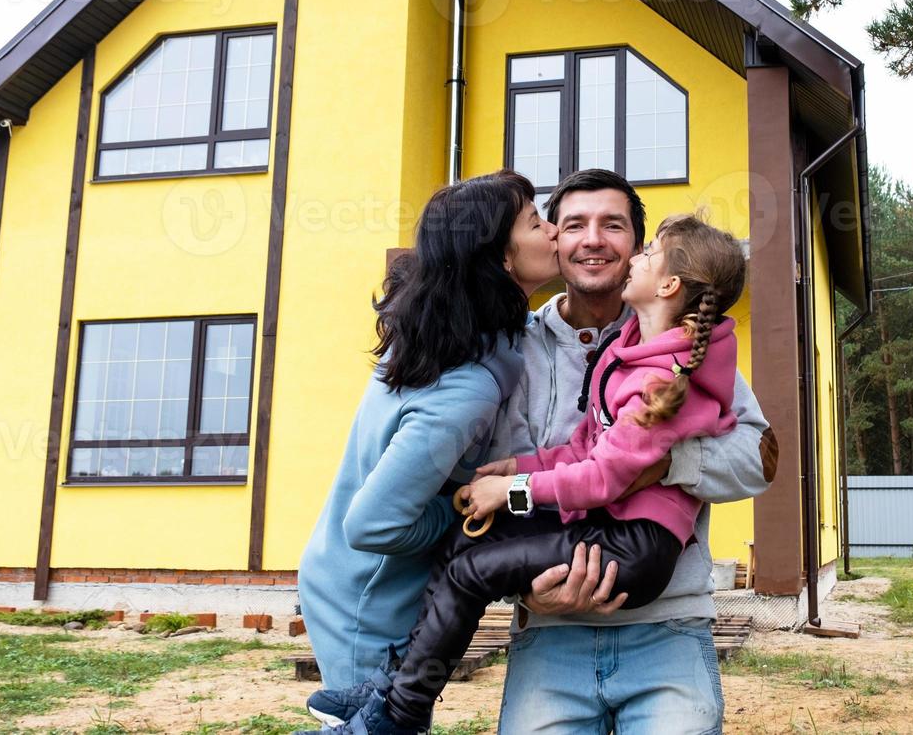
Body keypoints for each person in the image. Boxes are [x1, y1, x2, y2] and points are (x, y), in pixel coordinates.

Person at [319, 214, 749, 734]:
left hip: (637, 549)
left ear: (668, 283)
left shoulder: (667, 375)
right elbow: (584, 447)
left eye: (643, 246)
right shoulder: (632, 351)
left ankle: (401, 714)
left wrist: (513, 490)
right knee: (462, 545)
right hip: (603, 538)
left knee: (470, 572)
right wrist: (519, 466)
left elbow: (604, 477)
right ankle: (395, 686)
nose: (619, 250)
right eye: (565, 224)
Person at [296, 169, 558, 704]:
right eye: (537, 222)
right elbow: (373, 524)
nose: (554, 231)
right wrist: (462, 511)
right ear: (502, 259)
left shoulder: (463, 338)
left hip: (368, 586)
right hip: (365, 607)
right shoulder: (465, 386)